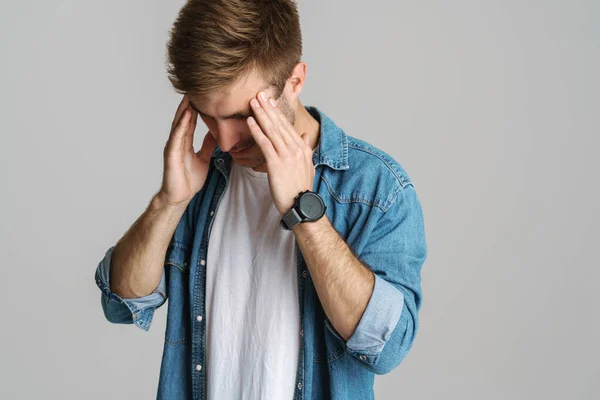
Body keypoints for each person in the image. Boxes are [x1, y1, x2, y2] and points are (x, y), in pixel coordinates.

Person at [94, 0, 428, 399]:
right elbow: (122, 303)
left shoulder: (376, 190)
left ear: (295, 81)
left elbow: (387, 348)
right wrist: (169, 202)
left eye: (240, 115)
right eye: (207, 115)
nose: (225, 140)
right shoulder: (201, 179)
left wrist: (305, 210)